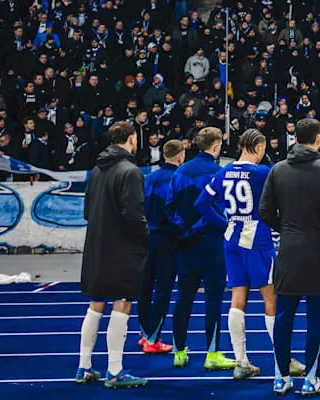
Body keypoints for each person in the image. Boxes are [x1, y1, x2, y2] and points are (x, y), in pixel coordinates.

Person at [195, 129, 304, 380]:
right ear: (257, 147)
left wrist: (224, 223)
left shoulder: (223, 172)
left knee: (237, 298)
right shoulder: (263, 173)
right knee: (271, 299)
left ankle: (241, 361)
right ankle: (283, 360)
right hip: (257, 239)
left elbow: (201, 203)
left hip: (231, 239)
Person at [259, 118, 320, 396]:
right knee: (316, 318)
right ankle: (310, 379)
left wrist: (285, 228)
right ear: (318, 138)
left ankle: (280, 377)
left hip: (288, 250)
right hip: (319, 251)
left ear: (295, 138)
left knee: (283, 315)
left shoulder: (277, 170)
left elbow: (264, 212)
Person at [76, 121, 150, 388]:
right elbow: (133, 215)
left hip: (96, 245)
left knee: (96, 305)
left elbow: (87, 211)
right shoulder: (130, 171)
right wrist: (146, 239)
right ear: (131, 139)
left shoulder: (97, 169)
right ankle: (115, 370)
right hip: (122, 248)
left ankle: (84, 366)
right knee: (123, 303)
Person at [166, 126, 236, 370]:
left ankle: (179, 351)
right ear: (216, 146)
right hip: (213, 243)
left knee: (183, 298)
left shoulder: (180, 172)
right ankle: (212, 354)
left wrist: (185, 231)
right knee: (213, 299)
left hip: (186, 245)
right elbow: (223, 209)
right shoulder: (220, 173)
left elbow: (170, 208)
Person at [137, 138, 182, 354]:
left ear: (164, 154)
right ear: (181, 155)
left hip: (147, 236)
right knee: (163, 290)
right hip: (167, 238)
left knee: (145, 287)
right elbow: (174, 211)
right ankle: (153, 339)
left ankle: (145, 333)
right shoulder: (177, 178)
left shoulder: (149, 177)